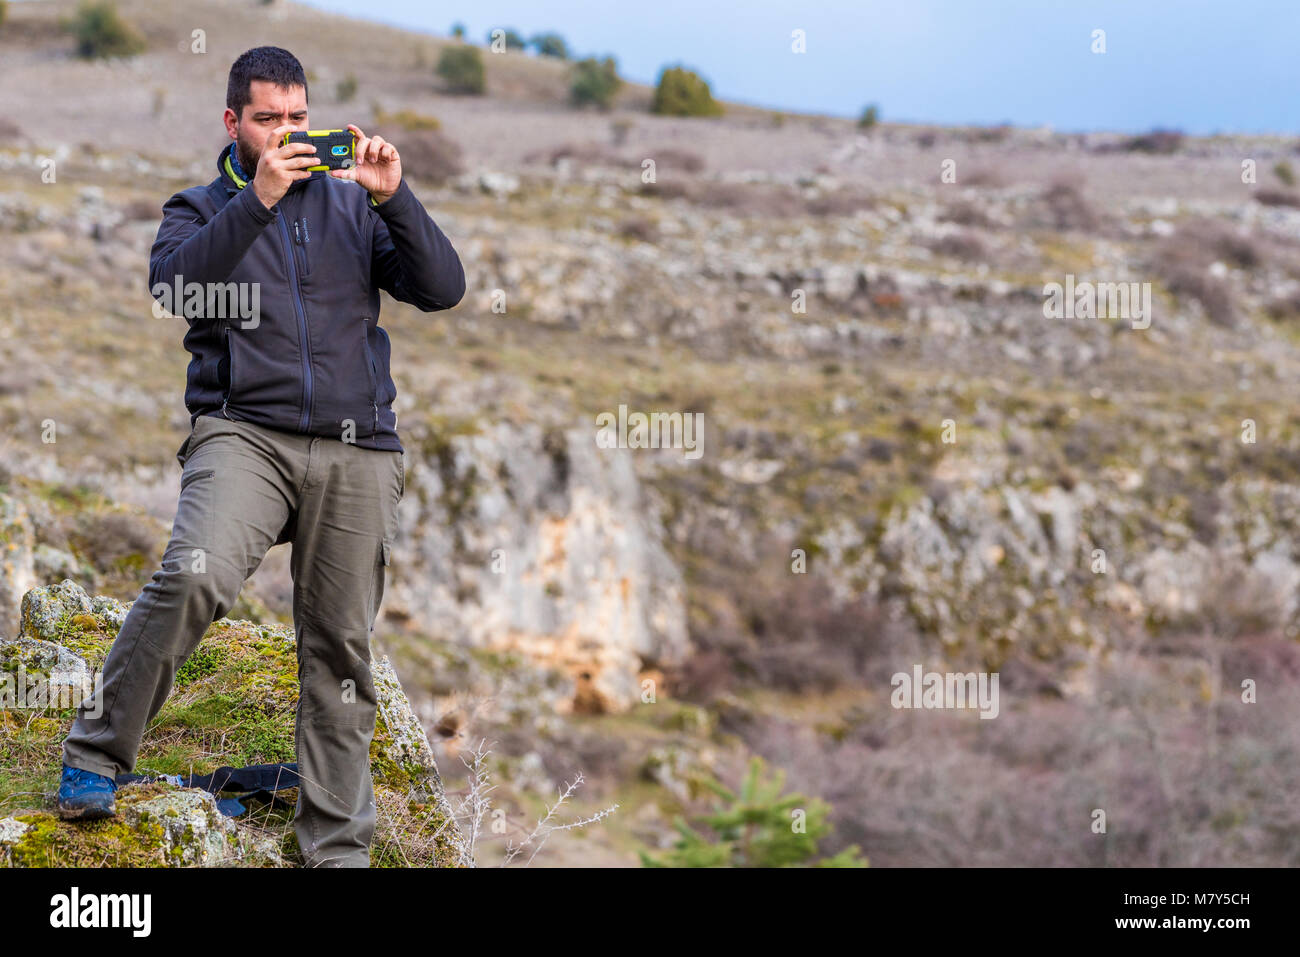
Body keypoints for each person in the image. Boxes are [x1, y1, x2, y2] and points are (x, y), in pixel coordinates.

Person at [56, 46, 465, 868]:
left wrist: (398, 199)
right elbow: (175, 288)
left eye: (297, 117)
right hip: (244, 432)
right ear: (233, 122)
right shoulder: (200, 206)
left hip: (357, 446)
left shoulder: (354, 207)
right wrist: (260, 202)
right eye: (267, 118)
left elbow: (443, 287)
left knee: (340, 642)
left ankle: (338, 846)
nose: (285, 132)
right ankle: (95, 757)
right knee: (195, 572)